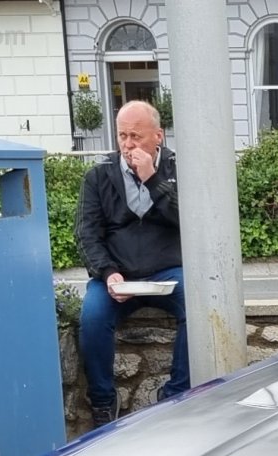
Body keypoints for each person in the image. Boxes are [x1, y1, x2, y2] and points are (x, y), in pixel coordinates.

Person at [74, 100, 187, 427]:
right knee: (93, 317)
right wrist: (108, 273)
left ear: (158, 137)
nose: (128, 144)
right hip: (116, 273)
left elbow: (190, 221)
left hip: (169, 271)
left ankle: (177, 394)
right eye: (122, 136)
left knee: (198, 305)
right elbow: (86, 234)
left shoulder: (178, 170)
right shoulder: (98, 176)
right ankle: (104, 402)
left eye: (136, 136)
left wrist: (153, 179)